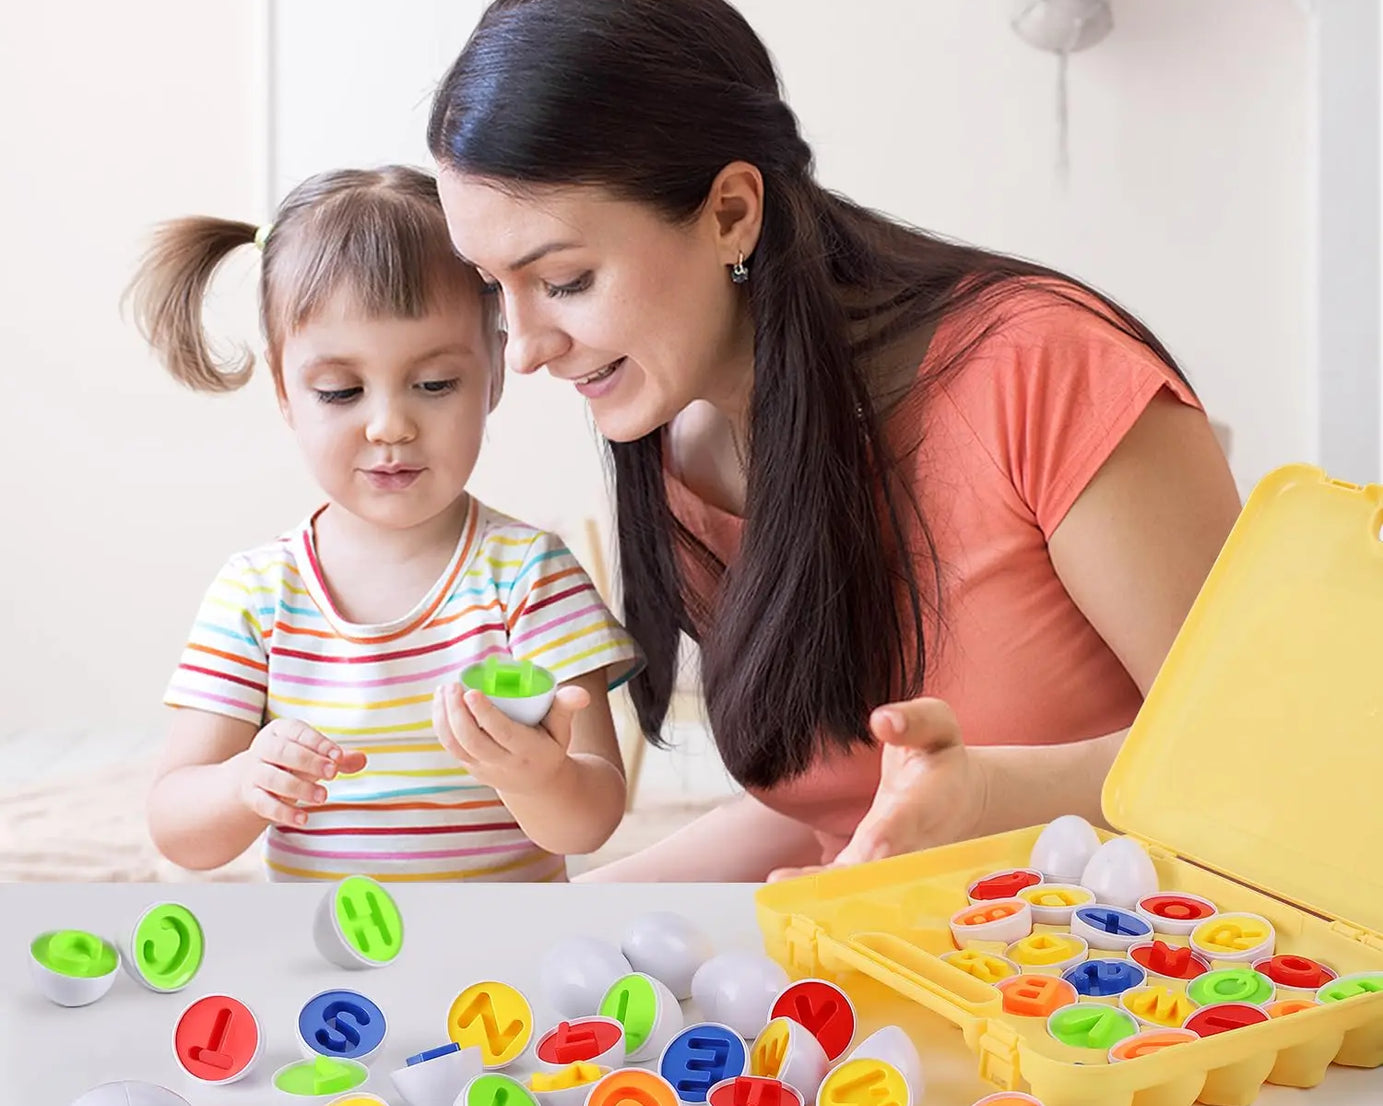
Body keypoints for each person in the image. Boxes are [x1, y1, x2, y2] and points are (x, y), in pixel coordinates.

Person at [426, 0, 1243, 882]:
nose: (527, 348)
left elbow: (1252, 756)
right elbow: (827, 810)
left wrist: (979, 798)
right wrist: (571, 916)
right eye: (492, 287)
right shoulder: (681, 447)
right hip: (856, 946)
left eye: (564, 279)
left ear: (730, 212)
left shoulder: (1046, 372)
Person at [128, 165, 640, 882]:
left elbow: (593, 818)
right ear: (284, 390)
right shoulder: (258, 594)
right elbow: (178, 830)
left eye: (434, 384)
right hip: (326, 951)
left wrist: (539, 779)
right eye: (341, 391)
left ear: (494, 372)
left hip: (494, 951)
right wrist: (245, 783)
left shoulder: (530, 576)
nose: (390, 425)